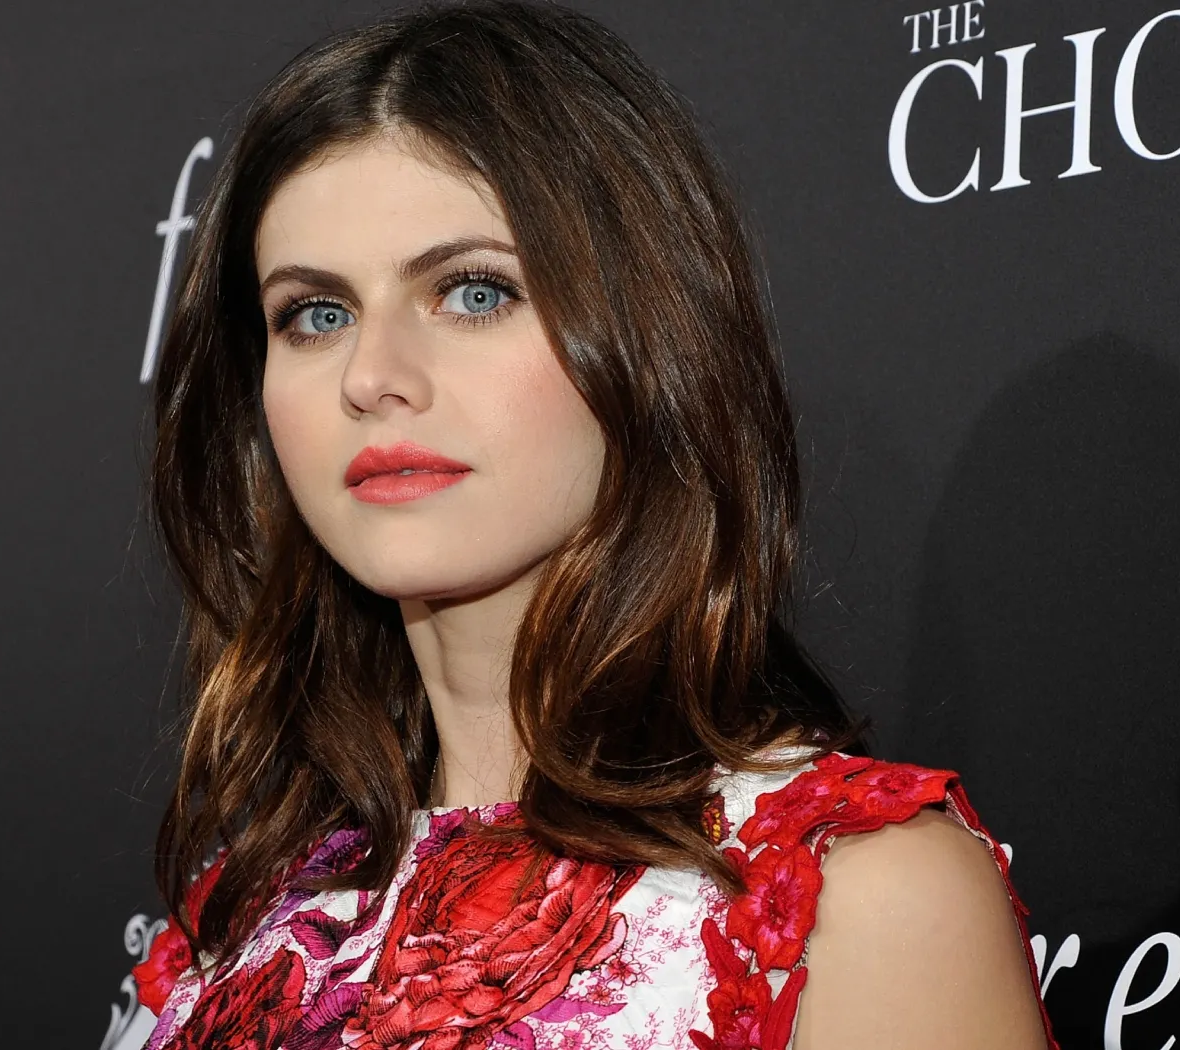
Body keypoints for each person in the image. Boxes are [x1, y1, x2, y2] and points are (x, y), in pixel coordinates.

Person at [131, 2, 1057, 1047]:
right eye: (317, 314)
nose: (372, 378)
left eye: (473, 292)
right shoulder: (238, 923)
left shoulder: (855, 900)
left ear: (647, 336)